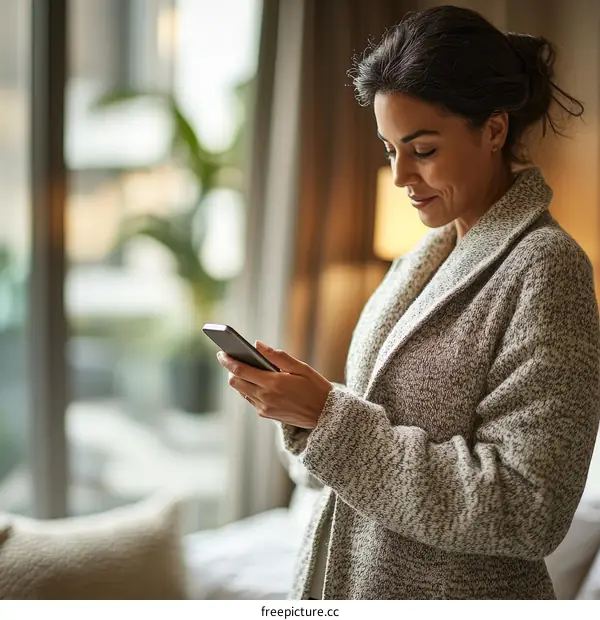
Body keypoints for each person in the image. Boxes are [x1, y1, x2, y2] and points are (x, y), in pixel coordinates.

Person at [217, 5, 600, 600]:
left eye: (422, 149)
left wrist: (328, 418)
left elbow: (529, 510)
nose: (399, 177)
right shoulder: (420, 261)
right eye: (389, 148)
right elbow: (380, 423)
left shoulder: (547, 269)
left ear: (493, 129)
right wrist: (305, 407)